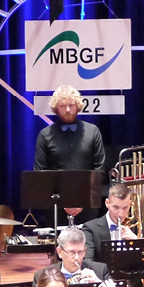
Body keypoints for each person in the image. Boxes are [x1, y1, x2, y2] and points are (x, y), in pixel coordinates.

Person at [35, 85, 105, 220]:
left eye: (71, 105)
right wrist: (63, 200)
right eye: (62, 106)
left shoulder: (93, 131)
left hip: (87, 206)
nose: (67, 110)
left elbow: (99, 170)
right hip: (56, 207)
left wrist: (81, 200)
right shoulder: (45, 135)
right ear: (56, 108)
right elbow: (40, 173)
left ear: (78, 106)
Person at [79, 183, 139, 261]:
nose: (120, 214)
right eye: (116, 207)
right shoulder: (91, 228)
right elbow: (87, 261)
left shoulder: (136, 226)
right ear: (107, 203)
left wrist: (136, 241)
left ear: (130, 205)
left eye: (125, 208)